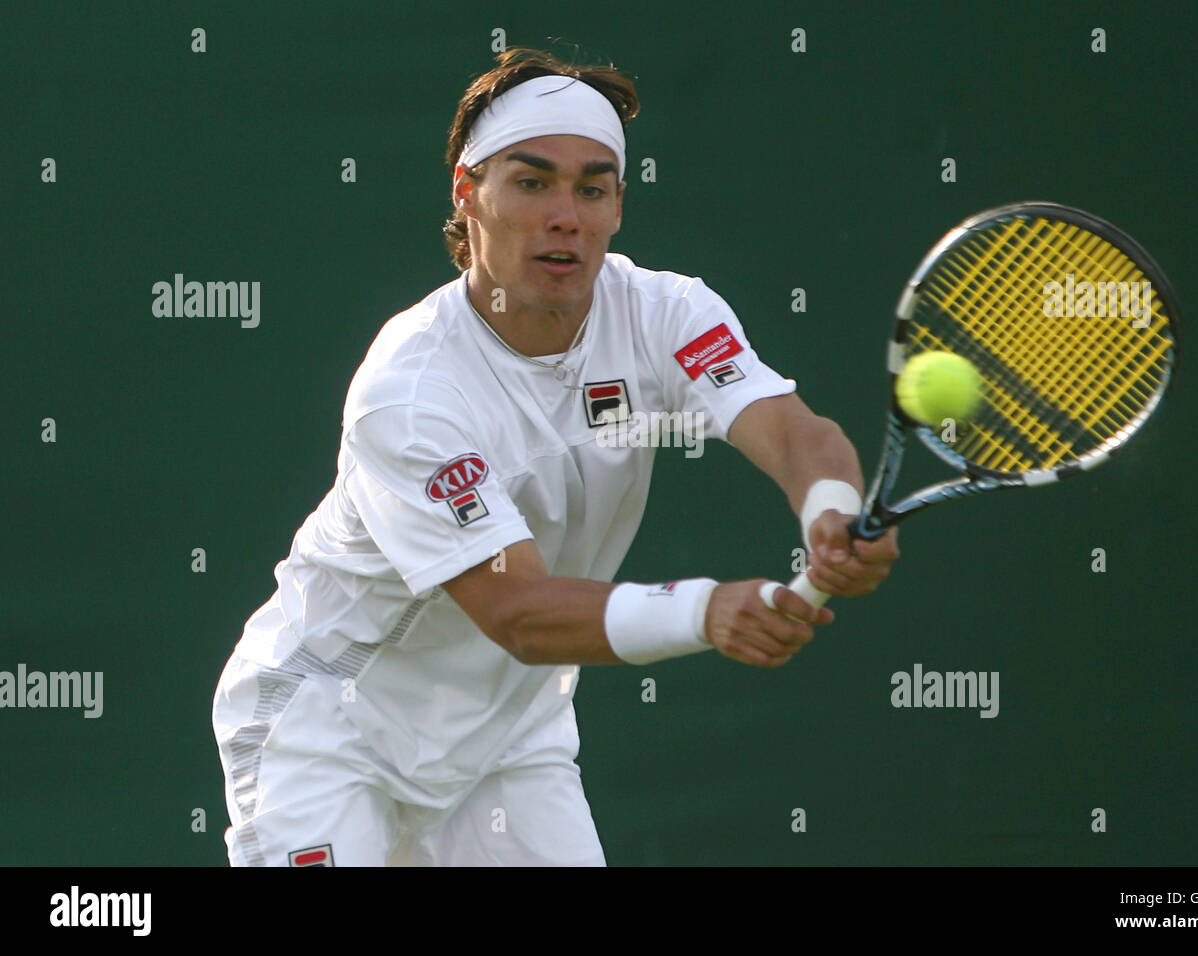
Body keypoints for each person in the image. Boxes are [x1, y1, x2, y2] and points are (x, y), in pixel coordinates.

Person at [212, 47, 900, 868]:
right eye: (532, 182)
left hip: (506, 738)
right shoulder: (410, 390)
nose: (565, 215)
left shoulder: (668, 314)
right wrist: (704, 609)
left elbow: (796, 433)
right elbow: (519, 610)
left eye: (592, 186)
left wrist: (830, 510)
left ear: (617, 206)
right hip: (328, 730)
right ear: (470, 195)